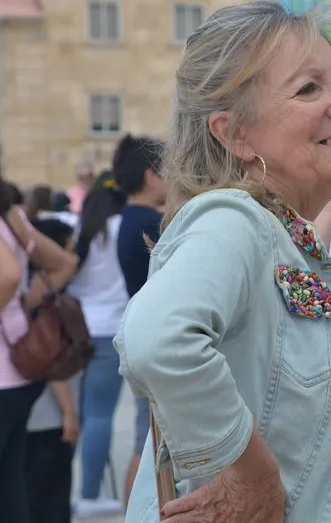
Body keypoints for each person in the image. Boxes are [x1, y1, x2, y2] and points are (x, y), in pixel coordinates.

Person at [114, 0, 331, 523]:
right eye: (309, 89)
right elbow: (157, 340)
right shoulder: (234, 220)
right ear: (235, 133)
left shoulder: (285, 236)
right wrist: (252, 475)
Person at [0, 174, 78, 523]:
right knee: (10, 484)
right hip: (21, 372)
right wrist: (20, 308)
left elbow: (8, 276)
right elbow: (64, 264)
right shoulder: (11, 215)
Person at [68, 170, 131, 519]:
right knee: (99, 414)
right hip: (110, 329)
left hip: (76, 329)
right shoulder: (125, 227)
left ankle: (66, 490)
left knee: (75, 415)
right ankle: (90, 494)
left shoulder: (81, 228)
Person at [112, 133, 166, 506]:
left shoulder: (129, 219)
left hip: (142, 334)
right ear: (151, 175)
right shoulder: (151, 224)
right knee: (145, 444)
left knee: (143, 439)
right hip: (155, 340)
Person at [25, 218, 81, 523]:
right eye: (68, 247)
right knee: (50, 499)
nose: (74, 255)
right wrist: (69, 412)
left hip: (33, 414)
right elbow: (52, 362)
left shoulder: (25, 291)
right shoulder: (41, 295)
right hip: (48, 415)